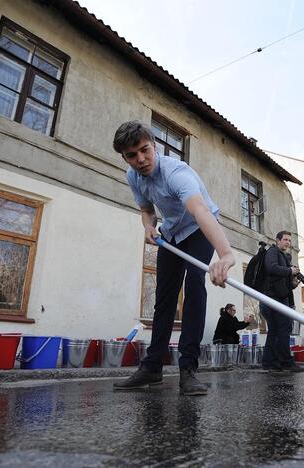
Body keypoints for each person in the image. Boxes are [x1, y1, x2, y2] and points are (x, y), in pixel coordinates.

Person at [112, 121, 236, 395]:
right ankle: (152, 367)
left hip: (198, 228)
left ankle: (188, 369)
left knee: (194, 284)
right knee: (164, 298)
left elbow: (200, 211)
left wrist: (225, 254)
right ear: (124, 157)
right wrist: (147, 225)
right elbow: (147, 210)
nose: (140, 159)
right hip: (171, 233)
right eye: (131, 155)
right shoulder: (133, 177)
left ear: (154, 146)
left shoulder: (176, 173)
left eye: (145, 150)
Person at [260, 230, 304, 374]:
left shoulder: (283, 257)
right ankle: (286, 362)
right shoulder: (272, 252)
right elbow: (271, 268)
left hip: (278, 297)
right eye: (285, 239)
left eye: (289, 240)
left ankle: (270, 363)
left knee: (274, 331)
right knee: (283, 331)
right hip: (273, 298)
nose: (287, 242)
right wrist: (289, 271)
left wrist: (292, 283)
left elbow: (282, 281)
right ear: (278, 240)